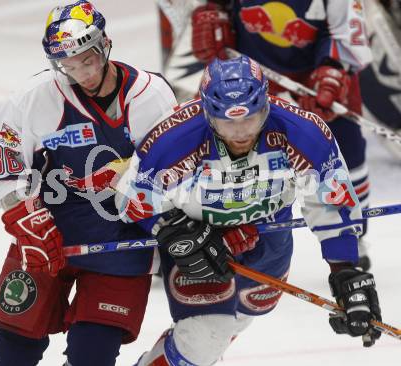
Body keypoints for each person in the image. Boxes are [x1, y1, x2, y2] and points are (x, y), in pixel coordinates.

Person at [115, 55, 383, 366]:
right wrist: (171, 228)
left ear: (265, 105)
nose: (241, 132)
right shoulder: (174, 140)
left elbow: (331, 204)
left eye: (250, 119)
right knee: (204, 337)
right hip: (201, 244)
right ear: (208, 114)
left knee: (240, 317)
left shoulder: (304, 133)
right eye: (228, 122)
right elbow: (131, 200)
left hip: (269, 241)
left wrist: (346, 271)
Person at [0, 1, 177, 365]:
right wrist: (24, 216)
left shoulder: (151, 95)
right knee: (12, 351)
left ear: (105, 46)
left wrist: (176, 227)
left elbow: (174, 172)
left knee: (92, 355)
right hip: (47, 236)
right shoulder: (36, 96)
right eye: (67, 65)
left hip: (123, 242)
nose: (80, 73)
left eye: (87, 60)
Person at [180, 0, 374, 270]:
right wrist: (210, 14)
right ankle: (195, 233)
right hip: (246, 77)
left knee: (346, 148)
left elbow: (349, 29)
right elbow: (212, 7)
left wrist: (333, 70)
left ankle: (351, 234)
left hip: (316, 73)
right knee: (217, 141)